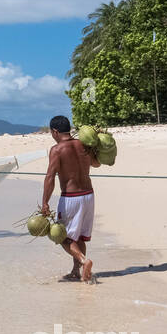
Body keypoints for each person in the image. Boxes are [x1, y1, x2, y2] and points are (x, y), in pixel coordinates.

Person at [40, 114, 99, 284]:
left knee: (62, 236)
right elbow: (96, 164)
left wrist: (45, 202)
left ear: (55, 131)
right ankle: (76, 272)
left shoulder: (57, 150)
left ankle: (83, 260)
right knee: (79, 236)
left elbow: (50, 177)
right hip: (89, 195)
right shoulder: (84, 144)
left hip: (71, 197)